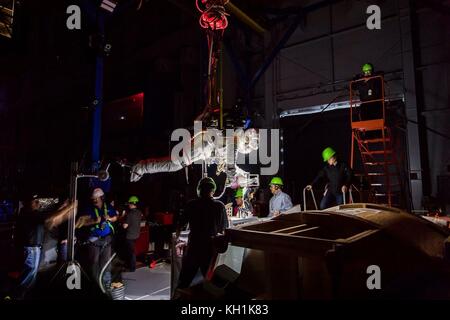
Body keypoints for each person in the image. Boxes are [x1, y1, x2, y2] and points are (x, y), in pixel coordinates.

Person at [13, 195, 76, 299]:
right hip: (31, 249)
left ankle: (23, 295)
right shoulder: (30, 214)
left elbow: (51, 216)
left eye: (38, 201)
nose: (38, 203)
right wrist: (69, 207)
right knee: (28, 277)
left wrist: (64, 206)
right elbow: (50, 219)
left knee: (30, 276)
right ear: (27, 203)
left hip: (33, 249)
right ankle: (17, 297)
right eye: (35, 201)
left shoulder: (30, 213)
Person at [176, 177, 228, 289]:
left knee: (184, 282)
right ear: (213, 190)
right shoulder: (219, 206)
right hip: (210, 249)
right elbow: (225, 231)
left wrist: (178, 241)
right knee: (212, 284)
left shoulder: (191, 205)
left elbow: (179, 226)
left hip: (193, 248)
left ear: (199, 189)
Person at [75, 188, 117, 289]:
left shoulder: (108, 207)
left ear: (102, 198)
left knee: (106, 262)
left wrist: (110, 218)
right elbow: (81, 223)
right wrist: (93, 221)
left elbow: (115, 217)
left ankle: (106, 283)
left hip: (107, 239)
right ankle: (95, 284)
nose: (94, 200)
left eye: (96, 198)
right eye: (93, 198)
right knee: (94, 262)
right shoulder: (88, 208)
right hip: (94, 240)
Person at [121, 196, 142, 272]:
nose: (128, 205)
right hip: (136, 235)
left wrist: (122, 217)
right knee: (131, 251)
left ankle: (132, 268)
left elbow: (125, 226)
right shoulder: (139, 212)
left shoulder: (129, 214)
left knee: (131, 252)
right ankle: (130, 265)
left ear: (132, 204)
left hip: (130, 236)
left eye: (129, 204)